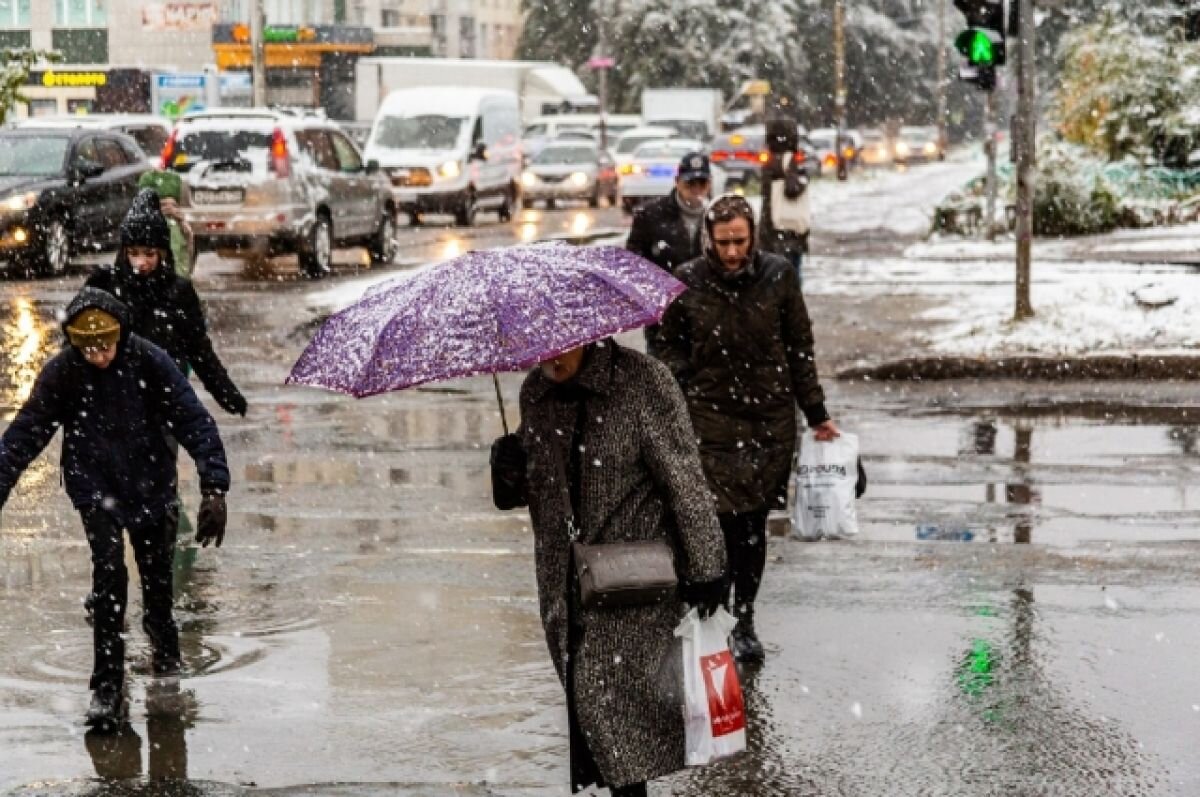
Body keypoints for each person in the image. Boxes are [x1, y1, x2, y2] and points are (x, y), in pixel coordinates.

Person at [490, 340, 727, 797]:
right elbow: (536, 487)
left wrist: (706, 564)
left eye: (561, 348)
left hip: (633, 585)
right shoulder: (534, 393)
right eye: (540, 349)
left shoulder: (643, 381)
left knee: (614, 722)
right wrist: (507, 471)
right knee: (603, 720)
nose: (550, 360)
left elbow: (683, 479)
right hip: (566, 588)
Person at [0, 287, 230, 728]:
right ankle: (106, 686)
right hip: (94, 486)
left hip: (150, 484)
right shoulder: (64, 372)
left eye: (105, 346)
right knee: (108, 575)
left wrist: (214, 488)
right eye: (89, 348)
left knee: (156, 580)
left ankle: (165, 657)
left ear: (120, 335)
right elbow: (27, 431)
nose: (99, 356)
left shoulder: (149, 361)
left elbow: (193, 419)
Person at [656, 194, 839, 664]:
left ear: (753, 235)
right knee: (714, 525)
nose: (732, 251)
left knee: (753, 526)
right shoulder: (687, 282)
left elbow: (800, 346)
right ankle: (713, 613)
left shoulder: (778, 275)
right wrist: (682, 388)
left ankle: (745, 614)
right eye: (723, 242)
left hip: (768, 422)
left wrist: (816, 412)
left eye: (740, 240)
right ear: (708, 240)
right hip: (709, 420)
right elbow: (667, 349)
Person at [86, 188, 246, 418]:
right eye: (134, 253)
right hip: (112, 399)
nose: (141, 262)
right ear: (124, 252)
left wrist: (226, 393)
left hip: (162, 401)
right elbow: (76, 340)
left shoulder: (178, 291)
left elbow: (198, 349)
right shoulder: (104, 283)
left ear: (162, 254)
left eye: (149, 254)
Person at [625, 151, 712, 355]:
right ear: (678, 182)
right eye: (690, 183)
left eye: (702, 183)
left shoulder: (716, 217)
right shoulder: (651, 215)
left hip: (706, 315)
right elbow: (633, 261)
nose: (696, 189)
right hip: (664, 314)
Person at [759, 116, 810, 277]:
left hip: (772, 230)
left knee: (775, 274)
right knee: (792, 274)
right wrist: (803, 179)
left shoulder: (771, 161)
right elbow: (792, 189)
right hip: (790, 232)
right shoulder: (791, 160)